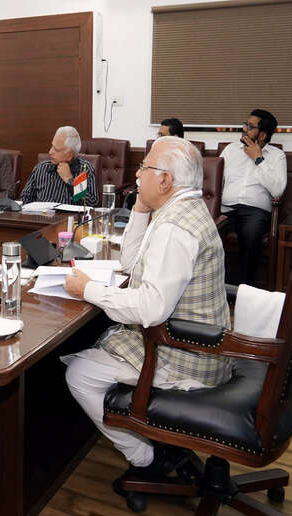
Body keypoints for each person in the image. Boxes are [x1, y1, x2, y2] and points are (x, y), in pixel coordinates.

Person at [62, 136, 231, 482]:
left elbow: (151, 308)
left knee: (79, 375)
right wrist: (139, 209)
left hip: (187, 356)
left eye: (145, 167)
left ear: (165, 180)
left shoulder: (174, 227)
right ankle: (157, 437)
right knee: (96, 345)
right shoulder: (183, 209)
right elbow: (130, 263)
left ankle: (146, 458)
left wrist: (88, 289)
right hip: (200, 344)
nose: (138, 174)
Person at [220, 108, 286, 286]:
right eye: (245, 124)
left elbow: (278, 190)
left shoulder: (277, 156)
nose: (244, 129)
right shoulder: (230, 150)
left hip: (255, 212)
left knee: (251, 235)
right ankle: (213, 285)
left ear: (262, 135)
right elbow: (217, 181)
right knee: (206, 230)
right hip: (226, 208)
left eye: (250, 127)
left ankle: (244, 288)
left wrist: (258, 159)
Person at [19, 126, 98, 206]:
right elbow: (25, 199)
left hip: (70, 214)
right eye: (52, 146)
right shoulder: (41, 168)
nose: (50, 152)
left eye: (56, 149)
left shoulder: (85, 170)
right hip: (42, 214)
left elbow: (91, 203)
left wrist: (70, 180)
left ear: (69, 155)